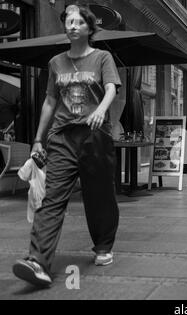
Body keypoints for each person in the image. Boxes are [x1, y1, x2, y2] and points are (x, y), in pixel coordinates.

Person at [12, 5, 122, 287]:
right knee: (52, 198)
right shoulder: (55, 63)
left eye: (78, 22)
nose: (72, 26)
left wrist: (101, 110)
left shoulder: (102, 57)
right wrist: (38, 137)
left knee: (100, 197)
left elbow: (111, 88)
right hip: (62, 137)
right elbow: (50, 101)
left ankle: (102, 246)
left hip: (95, 135)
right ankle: (37, 261)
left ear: (89, 28)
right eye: (68, 22)